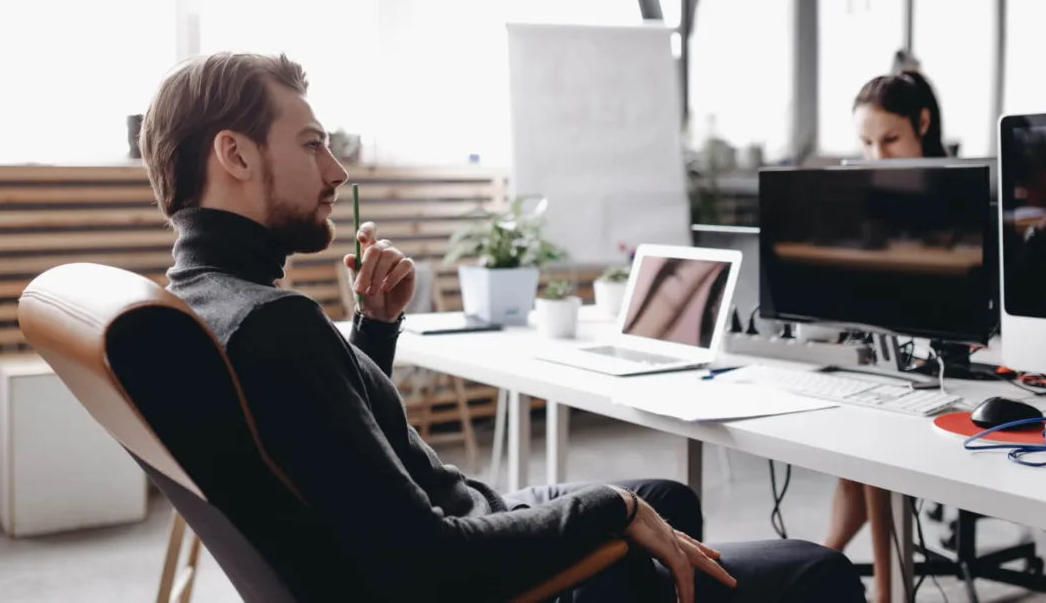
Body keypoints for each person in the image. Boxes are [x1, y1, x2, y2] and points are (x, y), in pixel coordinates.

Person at [138, 51, 865, 602]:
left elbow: (326, 447)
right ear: (234, 154)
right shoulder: (274, 324)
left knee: (667, 498)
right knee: (814, 569)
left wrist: (376, 329)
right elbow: (428, 558)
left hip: (448, 517)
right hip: (462, 556)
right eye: (311, 144)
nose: (337, 171)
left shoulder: (209, 302)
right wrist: (608, 508)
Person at [823, 64, 947, 603]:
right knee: (856, 452)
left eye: (890, 140)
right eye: (866, 143)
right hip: (889, 352)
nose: (877, 158)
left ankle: (878, 591)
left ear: (923, 122)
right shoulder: (877, 195)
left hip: (954, 361)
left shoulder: (962, 192)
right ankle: (817, 566)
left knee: (869, 449)